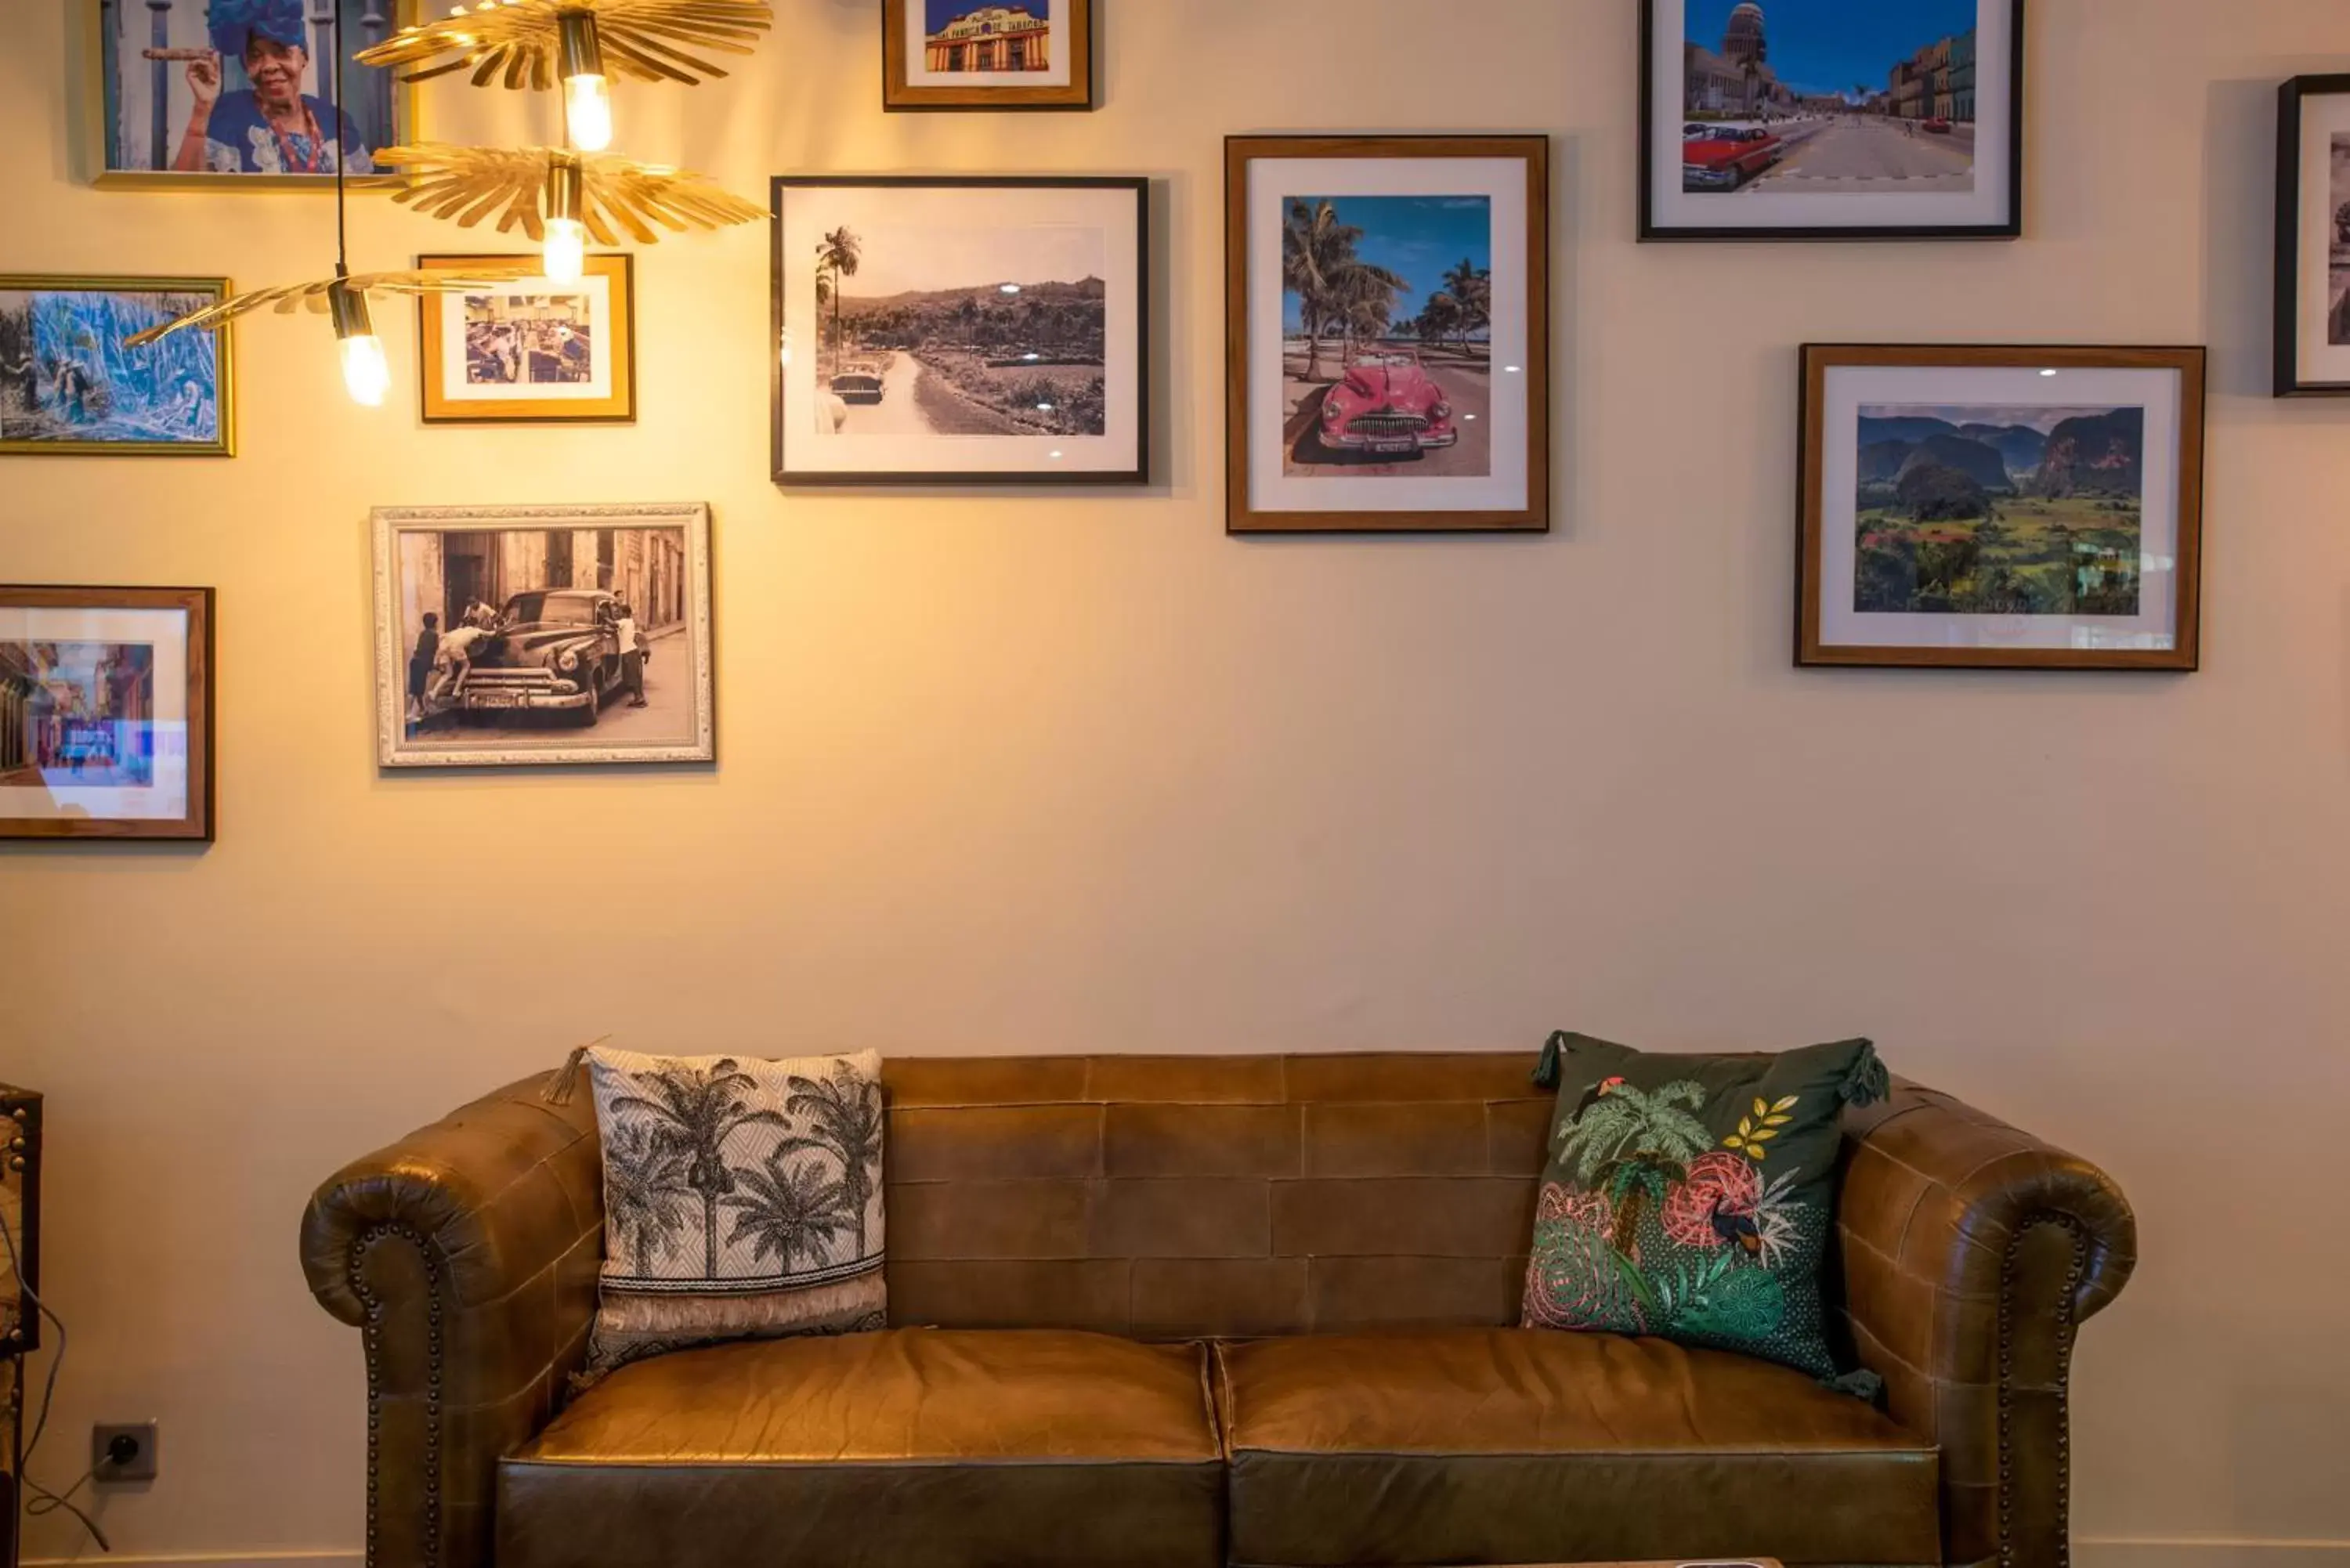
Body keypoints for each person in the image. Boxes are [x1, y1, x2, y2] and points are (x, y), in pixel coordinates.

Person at [172, 1, 377, 176]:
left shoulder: (335, 121)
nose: (269, 66)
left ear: (304, 58)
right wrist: (202, 108)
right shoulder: (227, 112)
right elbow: (181, 194)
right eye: (255, 55)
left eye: (281, 52)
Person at [430, 621, 490, 706]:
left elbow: (442, 637)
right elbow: (490, 633)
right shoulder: (476, 631)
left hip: (443, 647)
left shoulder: (458, 631)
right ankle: (456, 691)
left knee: (448, 673)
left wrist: (436, 658)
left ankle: (434, 692)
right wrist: (496, 631)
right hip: (454, 647)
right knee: (466, 666)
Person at [406, 612, 439, 726]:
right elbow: (434, 651)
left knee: (414, 689)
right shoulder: (434, 635)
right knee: (418, 690)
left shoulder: (423, 633)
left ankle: (421, 710)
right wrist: (435, 665)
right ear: (434, 623)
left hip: (415, 661)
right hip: (422, 663)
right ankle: (411, 714)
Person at [613, 602, 647, 709]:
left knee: (633, 676)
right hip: (632, 651)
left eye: (619, 612)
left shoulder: (625, 621)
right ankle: (639, 698)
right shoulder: (630, 621)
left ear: (624, 613)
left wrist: (604, 618)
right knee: (635, 676)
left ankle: (639, 698)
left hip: (629, 652)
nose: (618, 613)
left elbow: (613, 625)